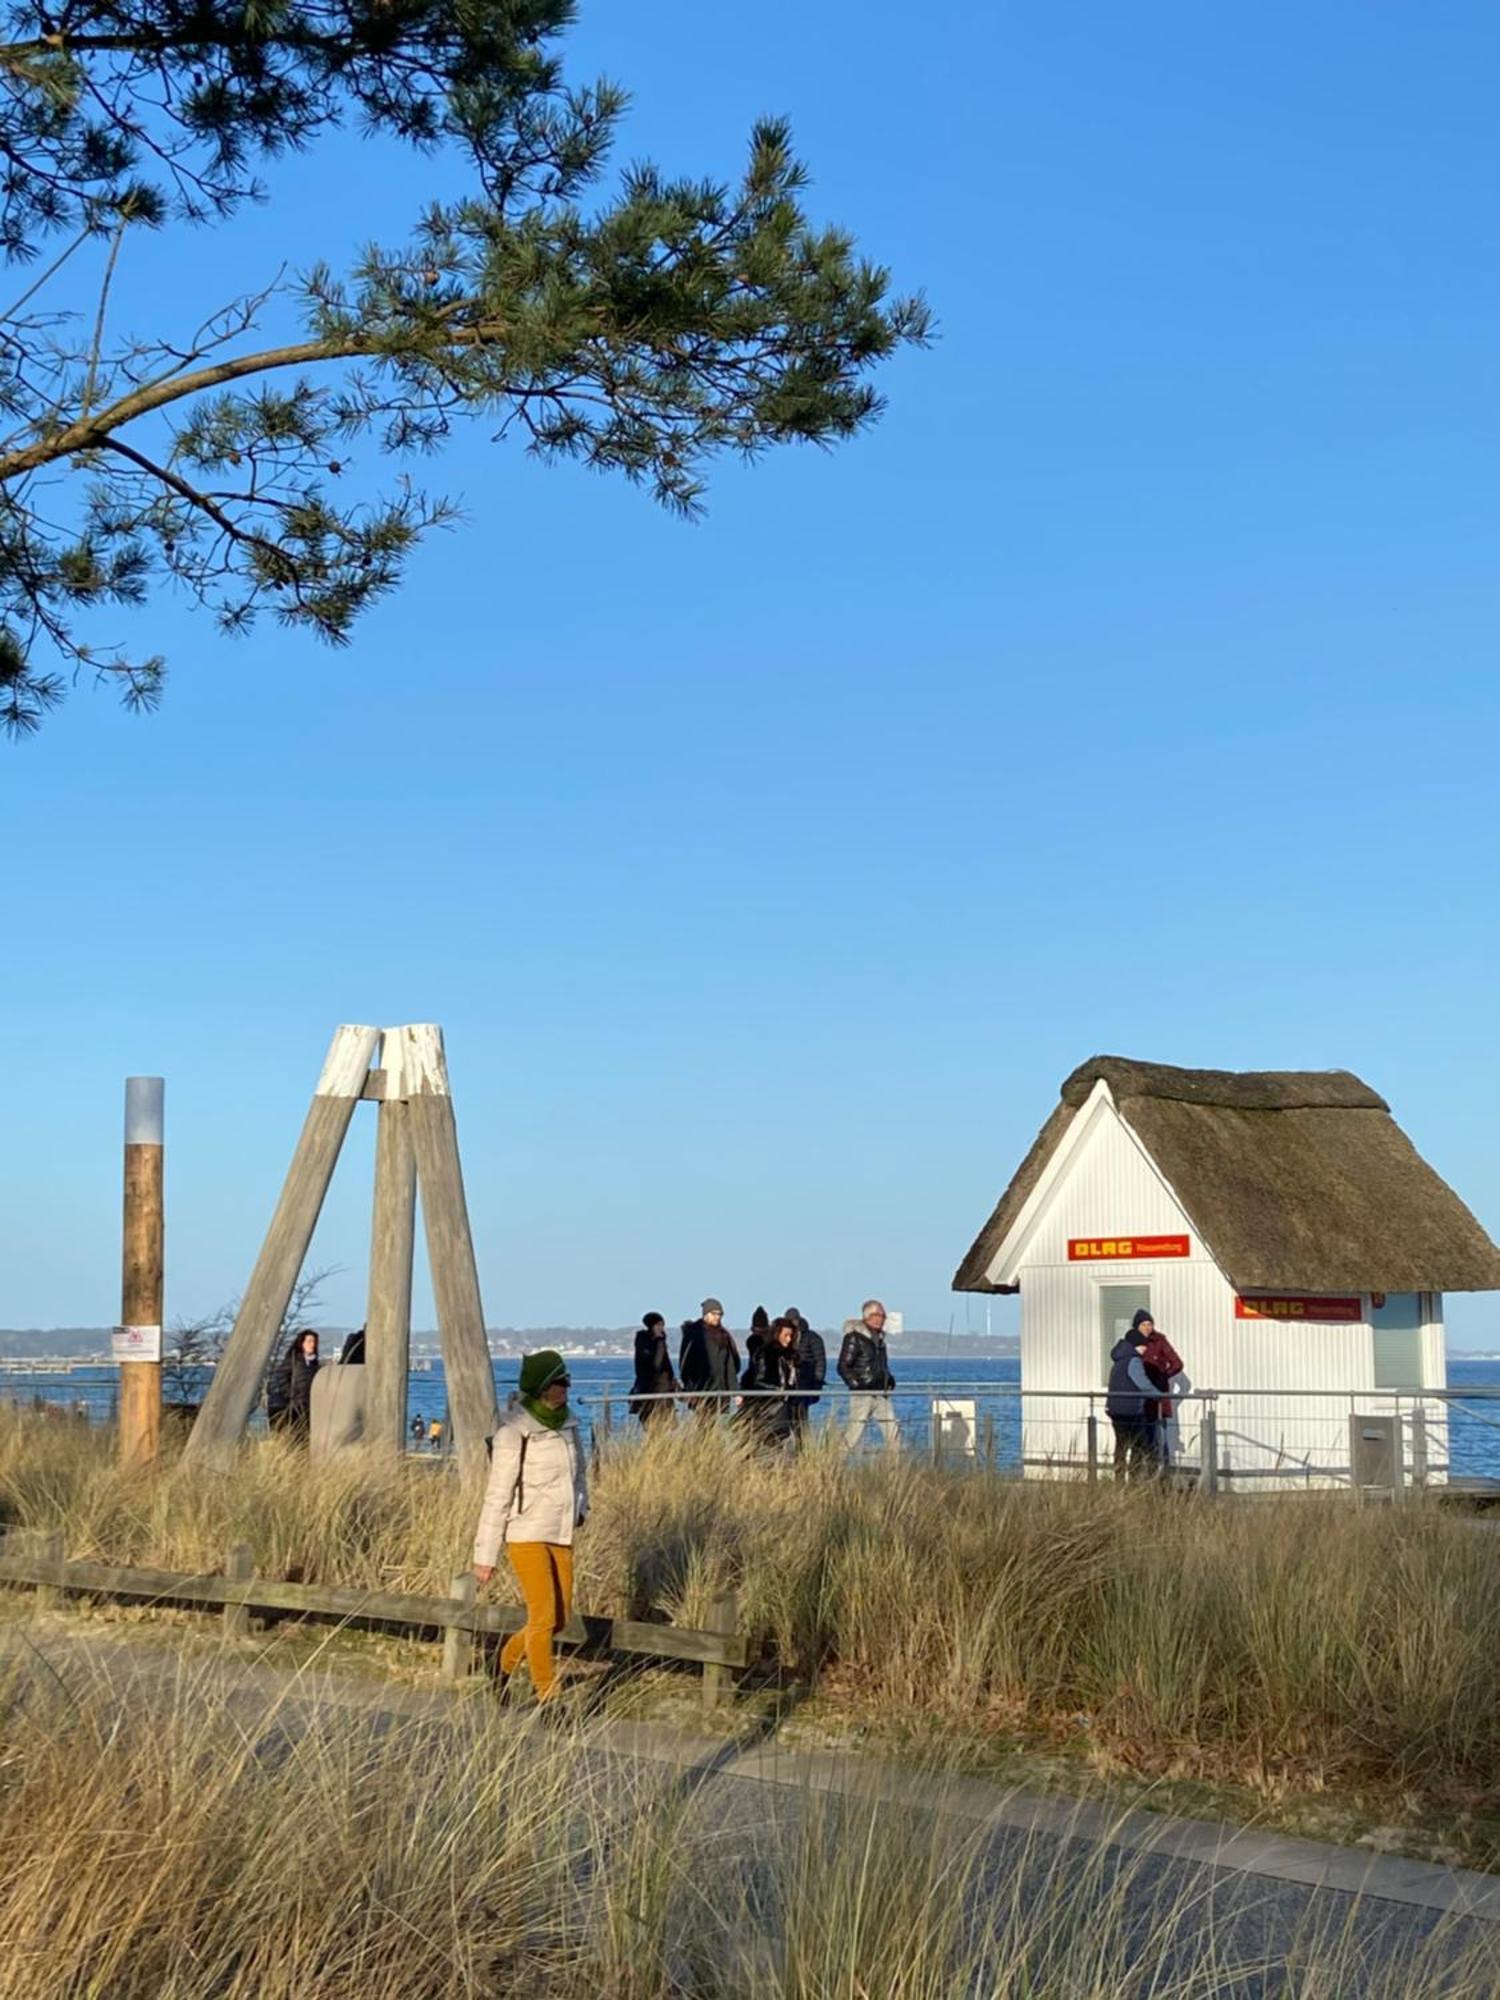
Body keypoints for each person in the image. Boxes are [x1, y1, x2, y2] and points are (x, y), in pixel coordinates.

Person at [472, 1351, 588, 1707]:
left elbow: (579, 1474)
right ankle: (547, 1697)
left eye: (566, 1380)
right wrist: (485, 1555)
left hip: (560, 1530)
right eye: (558, 1382)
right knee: (541, 1615)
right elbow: (497, 1495)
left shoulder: (569, 1425)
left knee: (560, 1617)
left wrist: (582, 1508)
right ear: (540, 1387)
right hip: (524, 1533)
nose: (565, 1387)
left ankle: (501, 1664)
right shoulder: (513, 1433)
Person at [839, 1300, 899, 1451]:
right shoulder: (855, 1338)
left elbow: (879, 1365)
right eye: (879, 1315)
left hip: (881, 1393)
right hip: (863, 1394)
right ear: (868, 1316)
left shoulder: (879, 1340)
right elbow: (843, 1366)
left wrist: (888, 1379)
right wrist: (857, 1385)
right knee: (853, 1434)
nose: (882, 1319)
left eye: (883, 1315)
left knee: (894, 1433)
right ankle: (835, 1465)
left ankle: (894, 1471)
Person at [1105, 1320, 1159, 1479]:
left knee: (1121, 1445)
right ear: (1136, 1345)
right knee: (1139, 1445)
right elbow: (1143, 1384)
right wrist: (1160, 1396)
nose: (1145, 1349)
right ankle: (1135, 1479)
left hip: (1115, 1409)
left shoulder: (1118, 1360)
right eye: (1143, 1346)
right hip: (1131, 1411)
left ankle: (1119, 1478)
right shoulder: (1134, 1361)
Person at [1136, 1312, 1190, 1466]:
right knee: (1139, 1440)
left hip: (1158, 1397)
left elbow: (1177, 1363)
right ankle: (1139, 1478)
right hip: (1138, 1397)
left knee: (1160, 1438)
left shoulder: (1159, 1341)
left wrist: (1163, 1376)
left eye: (1149, 1324)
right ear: (1137, 1326)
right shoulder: (1132, 1341)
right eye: (1143, 1324)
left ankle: (1163, 1479)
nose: (1147, 1328)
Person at [739, 1316, 801, 1450]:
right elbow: (759, 1380)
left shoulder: (791, 1356)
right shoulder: (766, 1354)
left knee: (783, 1440)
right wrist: (778, 1390)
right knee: (770, 1440)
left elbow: (792, 1379)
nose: (789, 1339)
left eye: (791, 1336)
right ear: (777, 1334)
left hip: (786, 1405)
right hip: (769, 1405)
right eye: (786, 1335)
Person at [678, 1299, 740, 1418]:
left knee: (716, 1427)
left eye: (720, 1314)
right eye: (714, 1313)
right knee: (703, 1425)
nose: (717, 1317)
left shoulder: (723, 1336)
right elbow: (685, 1365)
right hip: (700, 1391)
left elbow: (729, 1366)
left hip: (720, 1390)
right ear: (706, 1314)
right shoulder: (693, 1334)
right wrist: (691, 1390)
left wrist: (735, 1391)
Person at [266, 1328, 319, 1440]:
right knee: (295, 1437)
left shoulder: (314, 1364)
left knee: (305, 1437)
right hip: (293, 1406)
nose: (312, 1344)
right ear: (301, 1343)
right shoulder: (293, 1360)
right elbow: (281, 1378)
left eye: (314, 1341)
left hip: (307, 1406)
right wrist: (291, 1394)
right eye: (309, 1341)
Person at [629, 1312, 677, 1426]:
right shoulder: (644, 1342)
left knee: (667, 1427)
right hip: (650, 1390)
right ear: (651, 1326)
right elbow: (656, 1365)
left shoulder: (661, 1342)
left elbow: (667, 1367)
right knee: (652, 1426)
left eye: (662, 1325)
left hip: (664, 1391)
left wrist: (673, 1383)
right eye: (658, 1325)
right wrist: (660, 1343)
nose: (661, 1328)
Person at [785, 1307, 826, 1435]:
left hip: (805, 1383)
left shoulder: (812, 1338)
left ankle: (803, 1448)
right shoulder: (786, 1337)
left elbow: (820, 1361)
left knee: (801, 1418)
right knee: (787, 1417)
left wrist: (817, 1383)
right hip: (789, 1384)